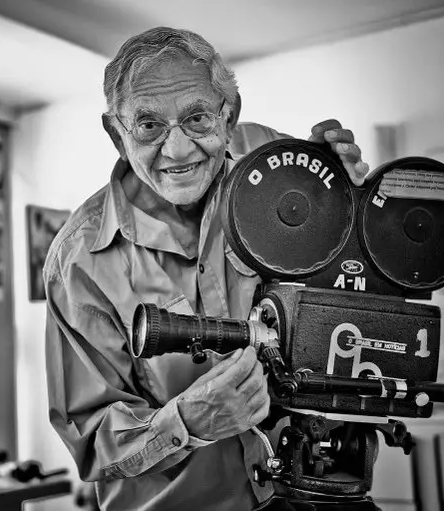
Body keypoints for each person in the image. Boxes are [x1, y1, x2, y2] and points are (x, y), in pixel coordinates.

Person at [43, 27, 370, 511]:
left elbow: (348, 287)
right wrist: (187, 423)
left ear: (228, 113)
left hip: (317, 493)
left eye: (197, 118)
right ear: (117, 134)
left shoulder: (271, 160)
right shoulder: (79, 260)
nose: (177, 150)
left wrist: (345, 202)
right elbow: (91, 441)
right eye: (148, 125)